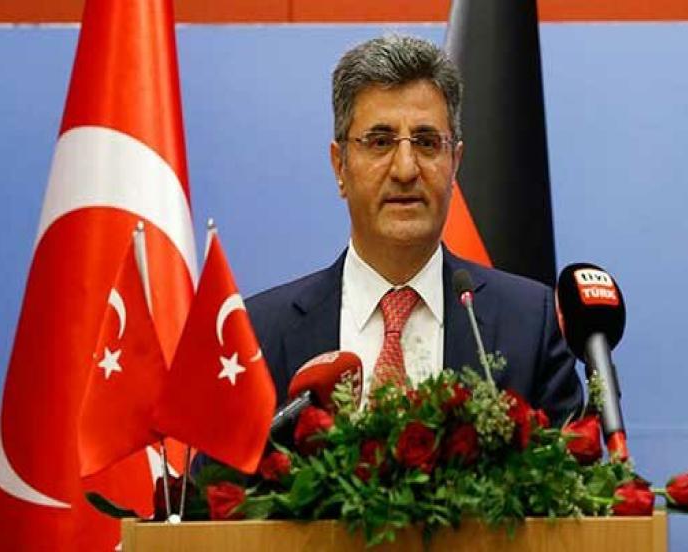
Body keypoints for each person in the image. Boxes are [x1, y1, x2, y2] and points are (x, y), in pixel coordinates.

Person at [248, 34, 581, 424]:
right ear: (340, 166)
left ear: (455, 163)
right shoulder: (260, 333)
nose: (405, 169)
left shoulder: (529, 324)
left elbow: (570, 459)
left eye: (426, 142)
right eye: (380, 142)